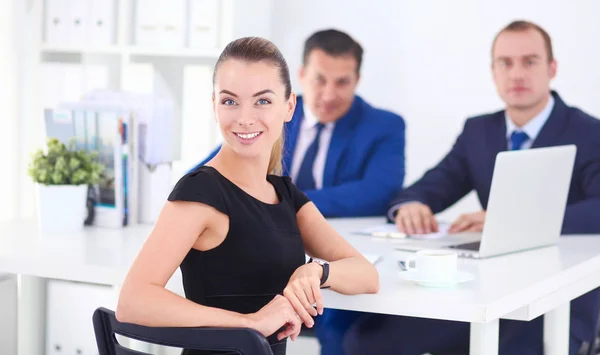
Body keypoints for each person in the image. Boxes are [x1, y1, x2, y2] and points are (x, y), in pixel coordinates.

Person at [344, 20, 600, 355]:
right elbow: (432, 184)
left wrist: (507, 220)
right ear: (493, 72)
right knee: (366, 341)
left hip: (555, 299)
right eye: (505, 63)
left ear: (552, 68)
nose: (517, 74)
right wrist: (411, 205)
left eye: (530, 61)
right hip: (484, 289)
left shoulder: (589, 132)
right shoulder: (479, 131)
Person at [115, 37, 380, 355]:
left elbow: (367, 274)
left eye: (263, 101)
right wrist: (248, 323)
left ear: (289, 107)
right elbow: (133, 301)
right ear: (214, 106)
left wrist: (316, 271)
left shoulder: (284, 194)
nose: (244, 117)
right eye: (230, 101)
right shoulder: (200, 193)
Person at [195, 29, 406, 218]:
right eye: (319, 80)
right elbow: (201, 177)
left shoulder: (384, 126)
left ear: (357, 80)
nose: (329, 95)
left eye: (342, 82)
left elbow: (378, 193)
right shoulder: (271, 115)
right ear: (302, 75)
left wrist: (276, 201)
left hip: (343, 234)